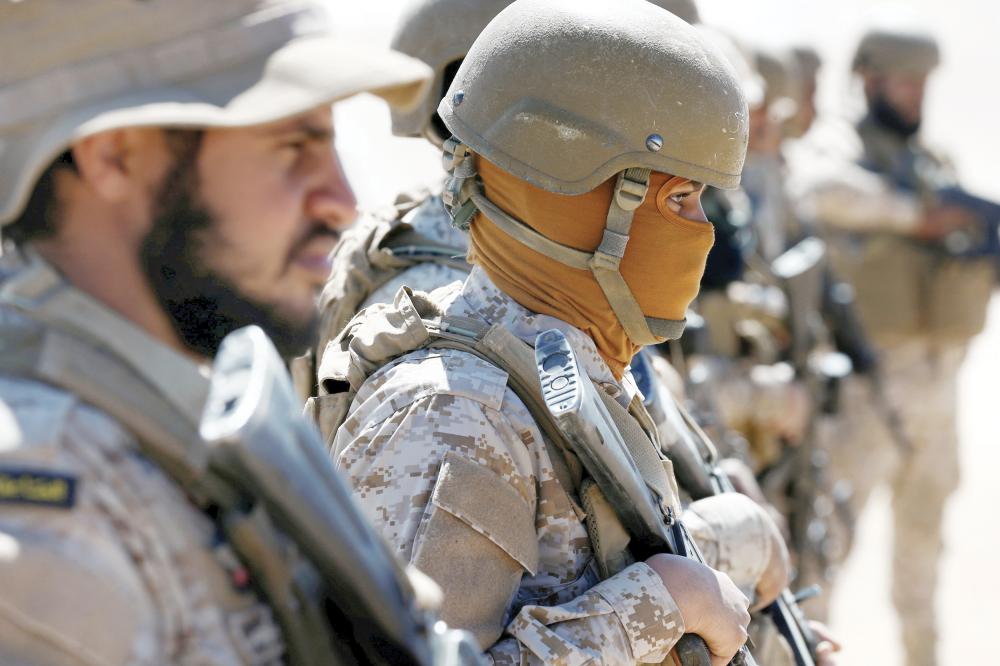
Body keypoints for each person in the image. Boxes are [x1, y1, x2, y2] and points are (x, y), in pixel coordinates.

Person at [0, 1, 474, 664]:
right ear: (114, 157)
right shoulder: (43, 502)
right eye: (291, 145)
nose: (340, 200)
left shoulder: (180, 410)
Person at [322, 1, 765, 663]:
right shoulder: (455, 415)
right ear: (575, 204)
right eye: (679, 199)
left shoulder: (566, 369)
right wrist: (653, 608)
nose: (702, 231)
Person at [798, 21, 994, 666]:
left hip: (939, 382)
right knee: (831, 548)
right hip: (869, 385)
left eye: (922, 85)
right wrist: (919, 219)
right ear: (870, 78)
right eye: (904, 82)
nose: (914, 96)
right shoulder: (837, 150)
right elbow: (818, 190)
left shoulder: (933, 162)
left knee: (924, 549)